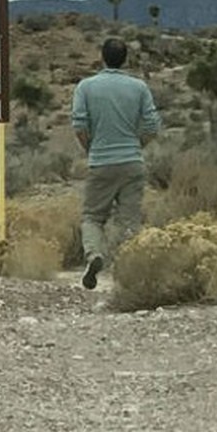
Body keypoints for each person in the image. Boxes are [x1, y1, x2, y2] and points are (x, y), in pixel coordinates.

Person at [71, 38, 162, 289]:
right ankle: (128, 274)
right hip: (132, 161)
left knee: (92, 216)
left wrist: (91, 149)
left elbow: (79, 125)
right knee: (129, 221)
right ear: (125, 60)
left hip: (101, 161)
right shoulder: (139, 87)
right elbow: (153, 125)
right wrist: (137, 145)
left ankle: (94, 255)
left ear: (102, 57)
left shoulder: (86, 87)